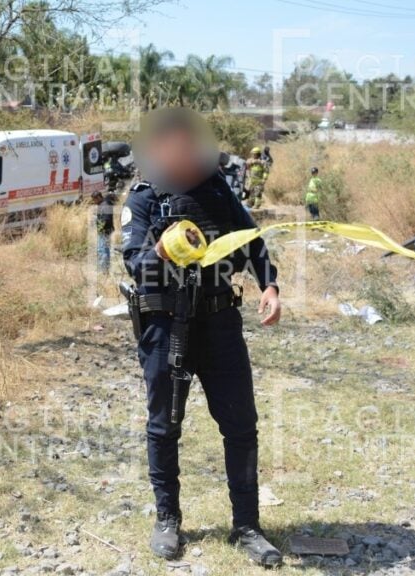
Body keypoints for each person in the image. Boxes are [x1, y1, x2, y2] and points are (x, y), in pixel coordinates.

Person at [121, 108, 283, 567]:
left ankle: (248, 525)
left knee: (240, 424)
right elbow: (135, 264)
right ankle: (167, 519)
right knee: (164, 423)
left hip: (219, 322)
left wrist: (270, 286)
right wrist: (164, 247)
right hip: (164, 324)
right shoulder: (143, 199)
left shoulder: (218, 191)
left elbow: (253, 242)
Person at [92, 190, 115, 273]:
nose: (94, 202)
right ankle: (104, 268)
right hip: (104, 231)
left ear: (98, 197)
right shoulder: (103, 204)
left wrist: (101, 228)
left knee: (103, 250)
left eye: (94, 200)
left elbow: (106, 219)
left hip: (105, 231)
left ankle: (104, 270)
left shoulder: (105, 205)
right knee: (103, 249)